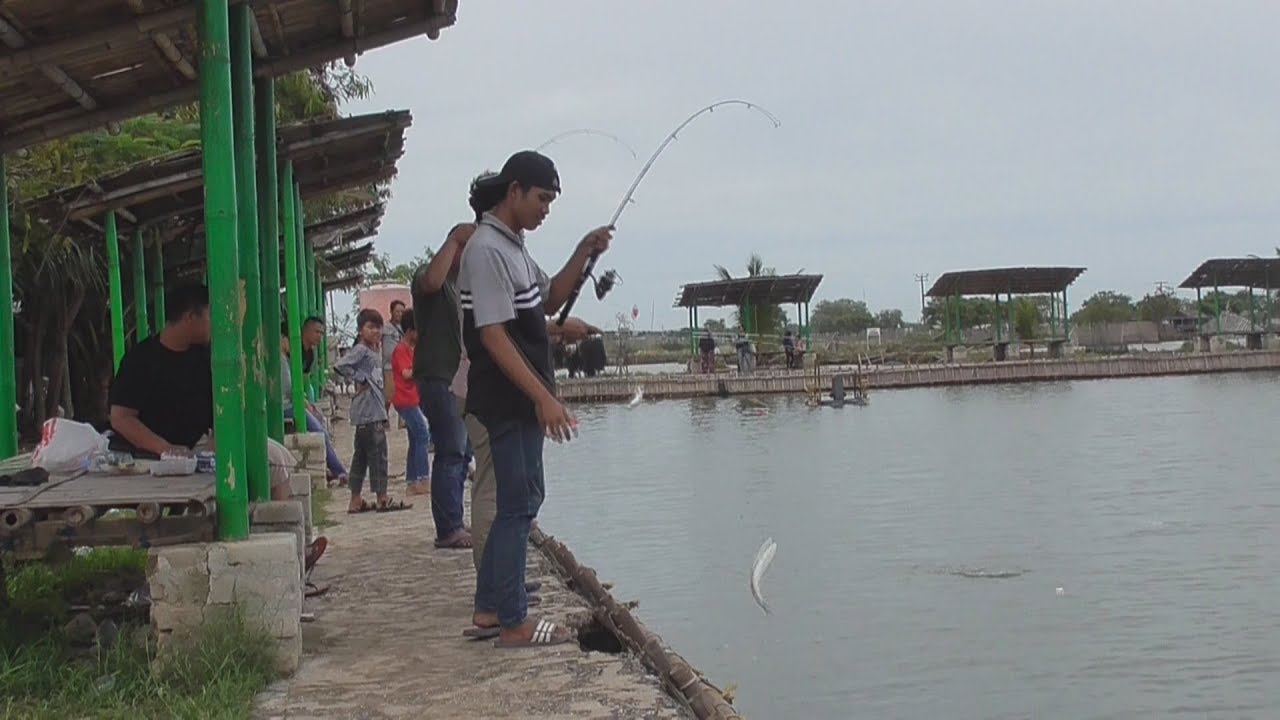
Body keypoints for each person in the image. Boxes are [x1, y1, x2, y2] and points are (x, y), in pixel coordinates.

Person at [459, 150, 611, 647]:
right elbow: (495, 337)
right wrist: (544, 399)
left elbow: (546, 300)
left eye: (552, 201)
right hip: (506, 399)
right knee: (517, 503)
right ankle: (514, 621)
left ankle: (489, 610)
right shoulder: (485, 250)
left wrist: (584, 254)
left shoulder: (513, 248)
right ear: (514, 191)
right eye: (542, 198)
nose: (547, 208)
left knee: (521, 500)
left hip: (519, 398)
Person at [109, 283, 327, 568]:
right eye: (211, 315)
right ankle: (280, 552)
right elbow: (121, 418)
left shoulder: (204, 356)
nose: (217, 323)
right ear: (190, 317)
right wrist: (164, 449)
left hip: (203, 445)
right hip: (156, 453)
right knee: (271, 457)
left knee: (275, 455)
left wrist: (218, 438)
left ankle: (288, 545)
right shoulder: (141, 360)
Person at [411, 220, 477, 549]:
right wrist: (454, 239)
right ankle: (448, 527)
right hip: (438, 376)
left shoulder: (460, 286)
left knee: (463, 453)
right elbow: (432, 280)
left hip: (457, 379)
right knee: (451, 452)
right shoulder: (431, 277)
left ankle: (454, 519)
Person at [333, 308, 409, 514]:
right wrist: (359, 378)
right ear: (360, 329)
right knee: (378, 456)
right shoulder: (361, 350)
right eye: (370, 327)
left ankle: (355, 498)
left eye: (378, 327)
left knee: (361, 457)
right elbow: (340, 365)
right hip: (369, 412)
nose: (375, 331)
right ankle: (382, 497)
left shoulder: (375, 351)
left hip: (371, 412)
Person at [282, 317, 348, 486]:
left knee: (320, 421)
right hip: (285, 405)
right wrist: (305, 404)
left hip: (295, 400)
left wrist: (308, 404)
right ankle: (340, 472)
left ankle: (332, 468)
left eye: (322, 333)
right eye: (317, 332)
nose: (320, 337)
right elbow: (289, 389)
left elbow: (302, 383)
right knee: (319, 431)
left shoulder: (309, 354)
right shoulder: (281, 359)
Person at [391, 309, 431, 495]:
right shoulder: (401, 350)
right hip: (405, 400)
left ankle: (412, 481)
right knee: (423, 435)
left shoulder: (412, 350)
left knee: (415, 439)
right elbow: (407, 373)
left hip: (412, 398)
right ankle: (423, 478)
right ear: (410, 331)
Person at [382, 300, 405, 419]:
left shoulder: (405, 328)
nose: (400, 314)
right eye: (397, 311)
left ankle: (403, 419)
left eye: (402, 312)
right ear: (391, 312)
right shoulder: (385, 328)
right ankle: (384, 418)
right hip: (389, 366)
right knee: (388, 395)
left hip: (402, 366)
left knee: (403, 394)